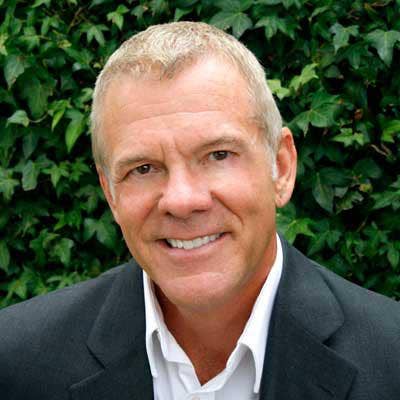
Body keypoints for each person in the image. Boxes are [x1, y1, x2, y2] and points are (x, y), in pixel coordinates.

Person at [0, 21, 399, 400]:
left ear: (281, 167)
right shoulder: (16, 363)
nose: (182, 200)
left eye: (218, 155)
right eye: (143, 168)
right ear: (111, 193)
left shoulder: (391, 360)